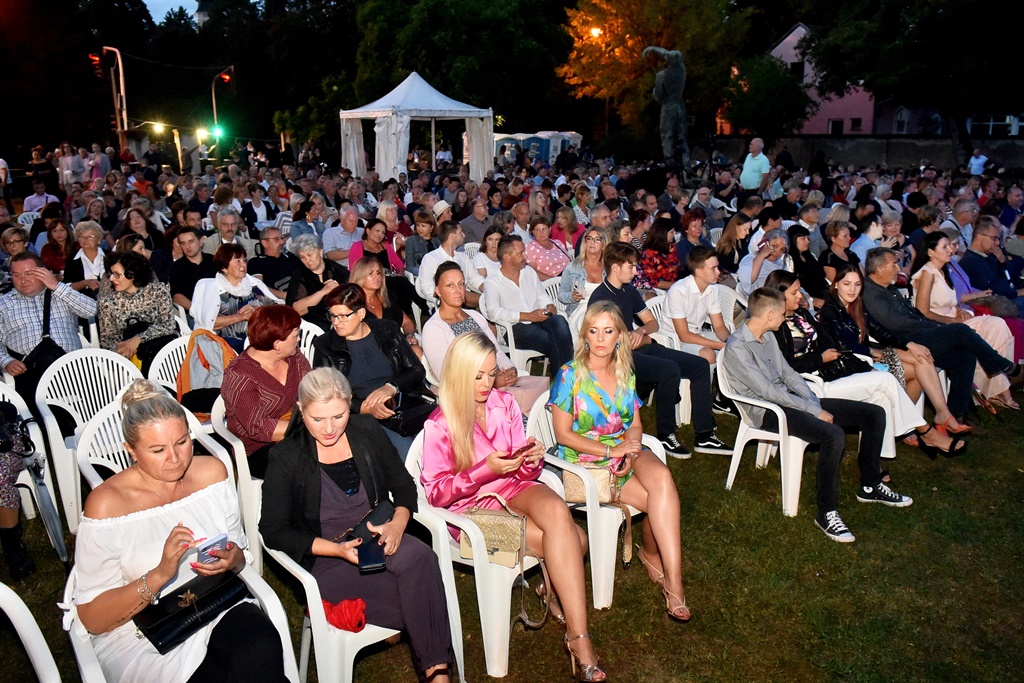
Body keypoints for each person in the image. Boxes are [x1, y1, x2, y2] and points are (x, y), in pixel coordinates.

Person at [71, 380, 288, 682]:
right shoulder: (107, 505)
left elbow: (239, 555)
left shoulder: (212, 474)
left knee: (260, 646)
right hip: (142, 631)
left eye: (182, 442)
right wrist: (160, 574)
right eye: (158, 450)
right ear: (130, 451)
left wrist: (233, 558)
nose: (174, 458)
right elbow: (94, 619)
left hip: (214, 602)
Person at [421, 331, 606, 682]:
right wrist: (483, 470)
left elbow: (521, 467)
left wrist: (531, 459)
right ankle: (580, 640)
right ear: (459, 373)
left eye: (491, 373)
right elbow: (436, 495)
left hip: (512, 487)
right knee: (575, 540)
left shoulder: (503, 403)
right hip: (471, 509)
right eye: (477, 376)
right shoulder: (440, 423)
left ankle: (570, 623)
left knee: (558, 514)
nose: (486, 383)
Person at [259, 367, 452, 681]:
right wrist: (336, 550)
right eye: (317, 418)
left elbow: (403, 485)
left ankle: (436, 673)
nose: (329, 428)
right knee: (423, 601)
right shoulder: (287, 456)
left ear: (350, 404)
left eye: (338, 416)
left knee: (421, 557)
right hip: (327, 558)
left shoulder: (366, 430)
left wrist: (398, 523)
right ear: (301, 411)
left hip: (377, 534)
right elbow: (273, 530)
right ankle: (438, 670)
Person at [723, 288, 913, 543]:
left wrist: (811, 401)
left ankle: (870, 485)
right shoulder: (737, 348)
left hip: (790, 401)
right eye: (781, 313)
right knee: (833, 434)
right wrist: (813, 410)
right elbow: (767, 392)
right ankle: (826, 513)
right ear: (769, 315)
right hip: (766, 411)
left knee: (873, 413)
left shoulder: (766, 336)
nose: (784, 318)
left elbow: (789, 374)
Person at [552, 301, 691, 621]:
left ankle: (674, 581)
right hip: (586, 460)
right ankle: (654, 558)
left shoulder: (624, 371)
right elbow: (563, 435)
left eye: (608, 331)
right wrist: (610, 453)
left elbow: (635, 425)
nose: (601, 339)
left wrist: (630, 450)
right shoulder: (570, 374)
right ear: (585, 335)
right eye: (594, 331)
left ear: (620, 337)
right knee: (659, 500)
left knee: (663, 480)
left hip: (622, 448)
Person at [763, 269, 964, 463]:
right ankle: (925, 431)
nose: (801, 296)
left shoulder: (802, 314)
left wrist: (855, 356)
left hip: (829, 369)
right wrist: (822, 359)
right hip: (809, 383)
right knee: (886, 380)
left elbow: (840, 342)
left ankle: (873, 464)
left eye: (857, 284)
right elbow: (785, 367)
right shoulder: (777, 325)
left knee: (883, 394)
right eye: (794, 293)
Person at [589, 242, 731, 457]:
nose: (635, 272)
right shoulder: (601, 297)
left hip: (639, 347)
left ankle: (705, 434)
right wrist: (636, 339)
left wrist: (641, 332)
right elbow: (602, 342)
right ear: (616, 267)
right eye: (631, 267)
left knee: (700, 365)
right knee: (668, 370)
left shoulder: (629, 290)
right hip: (618, 356)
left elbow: (652, 323)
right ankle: (666, 435)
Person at [862, 247, 1023, 421]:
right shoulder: (871, 292)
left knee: (964, 355)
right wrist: (935, 327)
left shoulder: (888, 289)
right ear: (880, 268)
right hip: (903, 343)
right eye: (894, 264)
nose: (898, 268)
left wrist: (935, 326)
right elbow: (896, 324)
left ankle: (957, 415)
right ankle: (1003, 365)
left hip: (916, 335)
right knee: (960, 330)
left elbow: (914, 316)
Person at [819, 264, 973, 438]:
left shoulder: (857, 305)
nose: (852, 289)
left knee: (921, 358)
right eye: (847, 284)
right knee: (918, 370)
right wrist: (872, 351)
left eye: (857, 284)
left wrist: (910, 344)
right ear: (836, 284)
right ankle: (907, 422)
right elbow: (843, 345)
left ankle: (936, 415)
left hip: (869, 353)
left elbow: (879, 330)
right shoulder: (830, 311)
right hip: (852, 362)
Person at [312, 284, 431, 458]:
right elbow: (326, 395)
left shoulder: (387, 330)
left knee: (441, 437)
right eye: (332, 315)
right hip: (361, 416)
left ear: (361, 313)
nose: (336, 322)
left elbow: (416, 370)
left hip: (403, 403)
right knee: (406, 452)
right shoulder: (325, 346)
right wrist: (363, 407)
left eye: (343, 316)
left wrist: (391, 387)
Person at [423, 262, 548, 414]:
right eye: (450, 285)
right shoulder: (434, 328)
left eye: (461, 284)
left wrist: (510, 370)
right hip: (465, 399)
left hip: (494, 384)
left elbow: (496, 351)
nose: (458, 290)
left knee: (539, 409)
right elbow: (447, 377)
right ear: (438, 291)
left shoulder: (475, 316)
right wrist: (491, 381)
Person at [910, 232, 1018, 410]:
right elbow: (923, 312)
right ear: (930, 252)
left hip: (955, 320)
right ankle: (1000, 382)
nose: (950, 250)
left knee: (997, 325)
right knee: (990, 330)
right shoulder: (927, 274)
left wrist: (958, 310)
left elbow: (947, 301)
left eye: (950, 245)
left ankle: (997, 387)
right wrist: (951, 320)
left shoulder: (944, 271)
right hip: (939, 326)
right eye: (945, 247)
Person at [221, 305, 309, 478]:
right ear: (277, 344)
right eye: (295, 336)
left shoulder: (294, 357)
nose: (298, 339)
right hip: (258, 450)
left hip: (297, 430)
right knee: (310, 462)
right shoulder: (240, 376)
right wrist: (313, 427)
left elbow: (313, 387)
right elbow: (258, 427)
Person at [0, 253, 97, 405]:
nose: (23, 280)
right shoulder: (4, 304)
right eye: (16, 275)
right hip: (31, 374)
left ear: (43, 272)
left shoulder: (61, 293)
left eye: (29, 274)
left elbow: (92, 310)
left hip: (73, 370)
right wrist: (7, 361)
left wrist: (56, 286)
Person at [482, 235, 574, 374]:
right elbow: (493, 312)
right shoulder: (493, 281)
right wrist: (527, 316)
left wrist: (549, 305)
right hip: (515, 328)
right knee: (554, 339)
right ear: (507, 257)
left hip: (539, 317)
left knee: (560, 323)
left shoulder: (529, 272)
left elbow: (542, 296)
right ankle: (564, 379)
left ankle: (563, 380)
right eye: (520, 253)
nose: (525, 256)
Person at [98, 252, 178, 376]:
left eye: (117, 274)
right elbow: (107, 340)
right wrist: (126, 349)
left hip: (164, 354)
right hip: (127, 362)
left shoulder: (158, 291)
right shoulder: (108, 302)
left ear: (132, 274)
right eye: (111, 273)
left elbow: (168, 325)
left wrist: (138, 339)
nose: (111, 279)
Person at [192, 243, 283, 351]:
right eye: (238, 261)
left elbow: (279, 309)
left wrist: (257, 310)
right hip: (224, 346)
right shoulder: (209, 287)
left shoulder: (255, 285)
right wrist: (240, 317)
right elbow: (209, 323)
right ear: (224, 268)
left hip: (259, 340)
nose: (243, 265)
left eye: (244, 260)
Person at [285, 233, 350, 332]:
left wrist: (339, 291)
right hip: (312, 326)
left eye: (309, 255)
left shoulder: (338, 271)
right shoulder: (299, 276)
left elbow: (352, 299)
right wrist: (323, 292)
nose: (307, 260)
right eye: (302, 257)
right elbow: (296, 310)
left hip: (340, 321)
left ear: (320, 252)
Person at [416, 220, 484, 307]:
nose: (464, 235)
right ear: (452, 236)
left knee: (486, 302)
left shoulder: (463, 258)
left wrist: (490, 289)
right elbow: (427, 288)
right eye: (461, 232)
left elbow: (476, 279)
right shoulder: (431, 258)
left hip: (466, 301)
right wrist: (447, 295)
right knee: (483, 301)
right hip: (443, 303)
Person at [558, 227, 607, 318]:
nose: (592, 242)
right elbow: (561, 295)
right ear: (585, 242)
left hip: (603, 310)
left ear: (603, 244)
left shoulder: (609, 268)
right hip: (580, 311)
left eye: (597, 239)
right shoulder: (573, 267)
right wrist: (572, 297)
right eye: (589, 239)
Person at [736, 228, 789, 299]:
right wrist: (761, 255)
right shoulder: (749, 259)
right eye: (774, 246)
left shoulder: (780, 264)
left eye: (782, 249)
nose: (777, 252)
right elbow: (748, 282)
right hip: (756, 299)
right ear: (764, 242)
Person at [248, 226, 299, 299]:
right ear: (264, 243)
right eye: (276, 239)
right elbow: (258, 286)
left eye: (282, 238)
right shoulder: (256, 262)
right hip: (278, 300)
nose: (282, 242)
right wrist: (282, 295)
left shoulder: (291, 257)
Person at [788, 224, 829, 307]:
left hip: (823, 294)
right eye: (803, 239)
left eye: (808, 238)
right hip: (807, 299)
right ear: (793, 240)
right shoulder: (789, 260)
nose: (807, 241)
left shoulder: (811, 256)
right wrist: (812, 300)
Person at [63, 221, 105, 298]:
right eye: (81, 237)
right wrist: (85, 283)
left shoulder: (110, 257)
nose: (85, 240)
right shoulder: (72, 259)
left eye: (90, 237)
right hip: (82, 300)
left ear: (99, 239)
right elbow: (66, 286)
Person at [715, 212, 753, 278]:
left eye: (748, 229)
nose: (748, 232)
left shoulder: (742, 241)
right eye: (745, 229)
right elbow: (729, 269)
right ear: (735, 227)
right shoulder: (727, 247)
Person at [404, 210, 439, 277]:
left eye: (423, 226)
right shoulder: (412, 240)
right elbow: (410, 267)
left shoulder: (438, 240)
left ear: (431, 227)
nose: (420, 229)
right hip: (421, 276)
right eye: (418, 225)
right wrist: (424, 273)